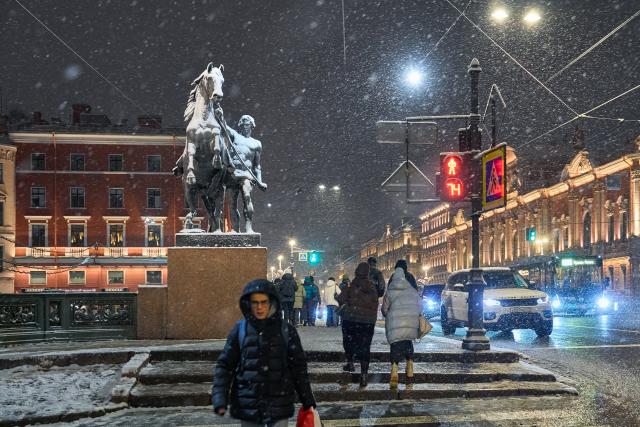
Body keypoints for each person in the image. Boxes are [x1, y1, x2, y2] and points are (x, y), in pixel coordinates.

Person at [212, 279, 316, 426]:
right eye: (255, 302)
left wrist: (307, 399)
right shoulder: (240, 330)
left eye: (263, 302)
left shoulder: (286, 330)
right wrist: (219, 398)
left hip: (279, 404)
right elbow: (225, 365)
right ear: (249, 304)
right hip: (249, 406)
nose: (259, 307)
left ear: (271, 303)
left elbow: (298, 368)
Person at [219, 114, 268, 234]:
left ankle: (249, 227)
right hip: (232, 173)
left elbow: (257, 165)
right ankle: (235, 229)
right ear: (240, 125)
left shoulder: (256, 144)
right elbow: (223, 126)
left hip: (247, 174)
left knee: (246, 196)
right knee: (231, 203)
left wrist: (260, 181)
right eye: (243, 124)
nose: (245, 127)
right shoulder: (234, 136)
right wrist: (218, 112)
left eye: (248, 124)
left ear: (252, 126)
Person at [336, 263, 378, 387]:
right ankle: (364, 375)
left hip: (351, 320)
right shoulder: (372, 287)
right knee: (365, 347)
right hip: (367, 322)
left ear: (356, 272)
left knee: (349, 342)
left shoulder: (351, 285)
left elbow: (341, 299)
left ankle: (350, 362)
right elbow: (375, 302)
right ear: (367, 273)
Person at [382, 265, 422, 388]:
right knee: (408, 343)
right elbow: (420, 307)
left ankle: (394, 370)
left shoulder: (390, 292)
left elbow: (384, 309)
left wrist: (390, 314)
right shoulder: (412, 291)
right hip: (410, 323)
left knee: (395, 346)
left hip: (395, 324)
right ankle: (410, 367)